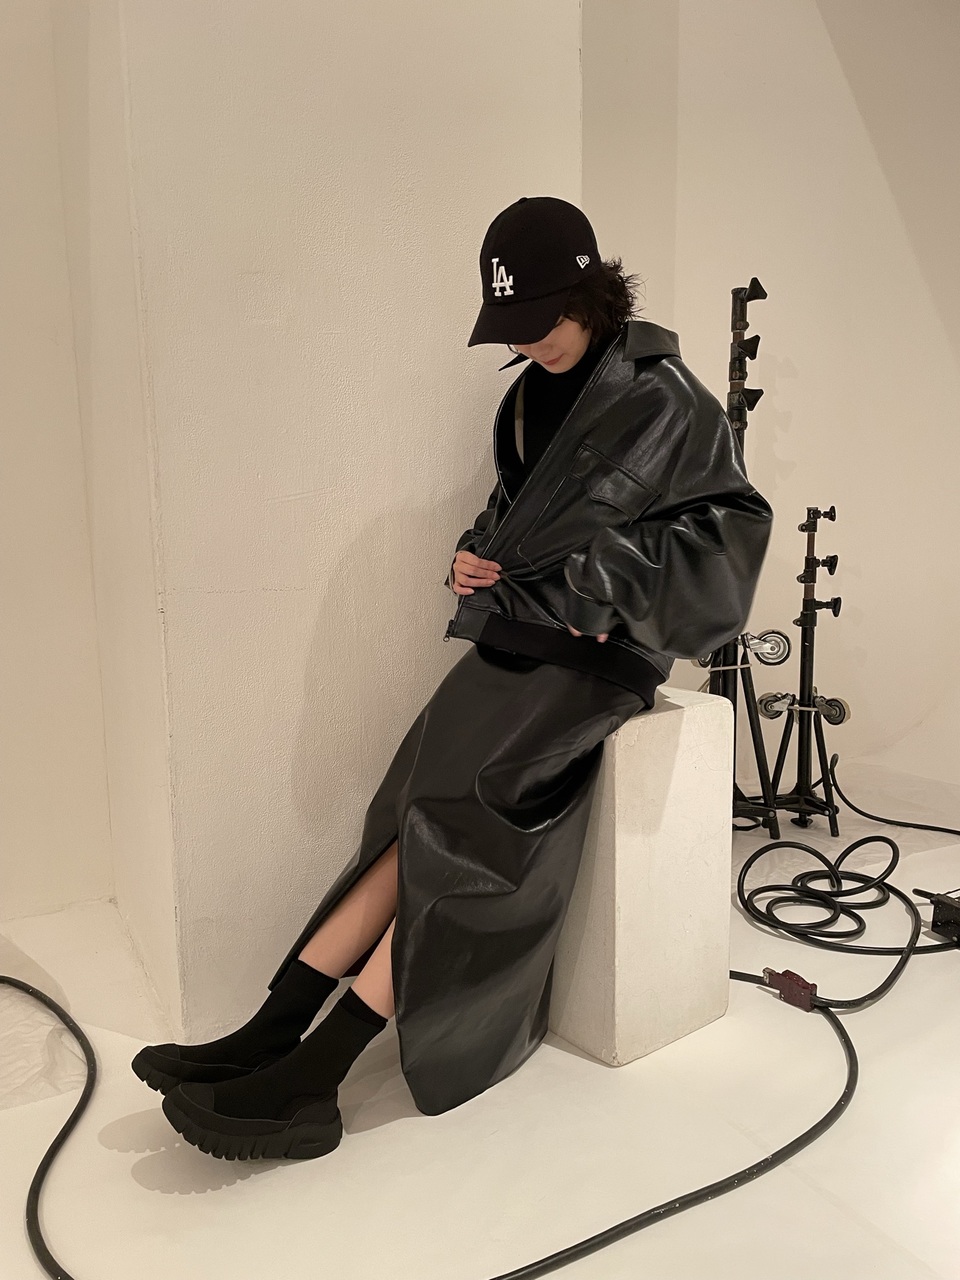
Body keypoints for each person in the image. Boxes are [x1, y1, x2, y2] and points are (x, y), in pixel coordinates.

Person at [132, 197, 773, 1162]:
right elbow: (514, 515)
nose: (530, 344)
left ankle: (318, 1075)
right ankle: (272, 1030)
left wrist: (599, 582)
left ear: (592, 294)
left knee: (465, 821)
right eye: (514, 326)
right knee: (410, 803)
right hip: (522, 630)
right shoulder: (523, 399)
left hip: (604, 651)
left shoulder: (667, 396)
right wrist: (474, 553)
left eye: (543, 321)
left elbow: (731, 536)